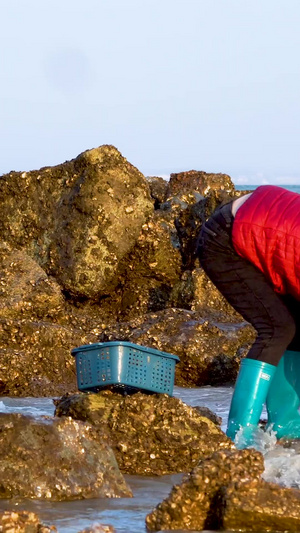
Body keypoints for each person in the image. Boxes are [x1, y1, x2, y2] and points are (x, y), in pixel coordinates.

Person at [197, 184, 300, 446]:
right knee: (278, 329)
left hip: (264, 232)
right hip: (225, 239)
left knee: (295, 328)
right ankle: (239, 438)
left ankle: (286, 428)